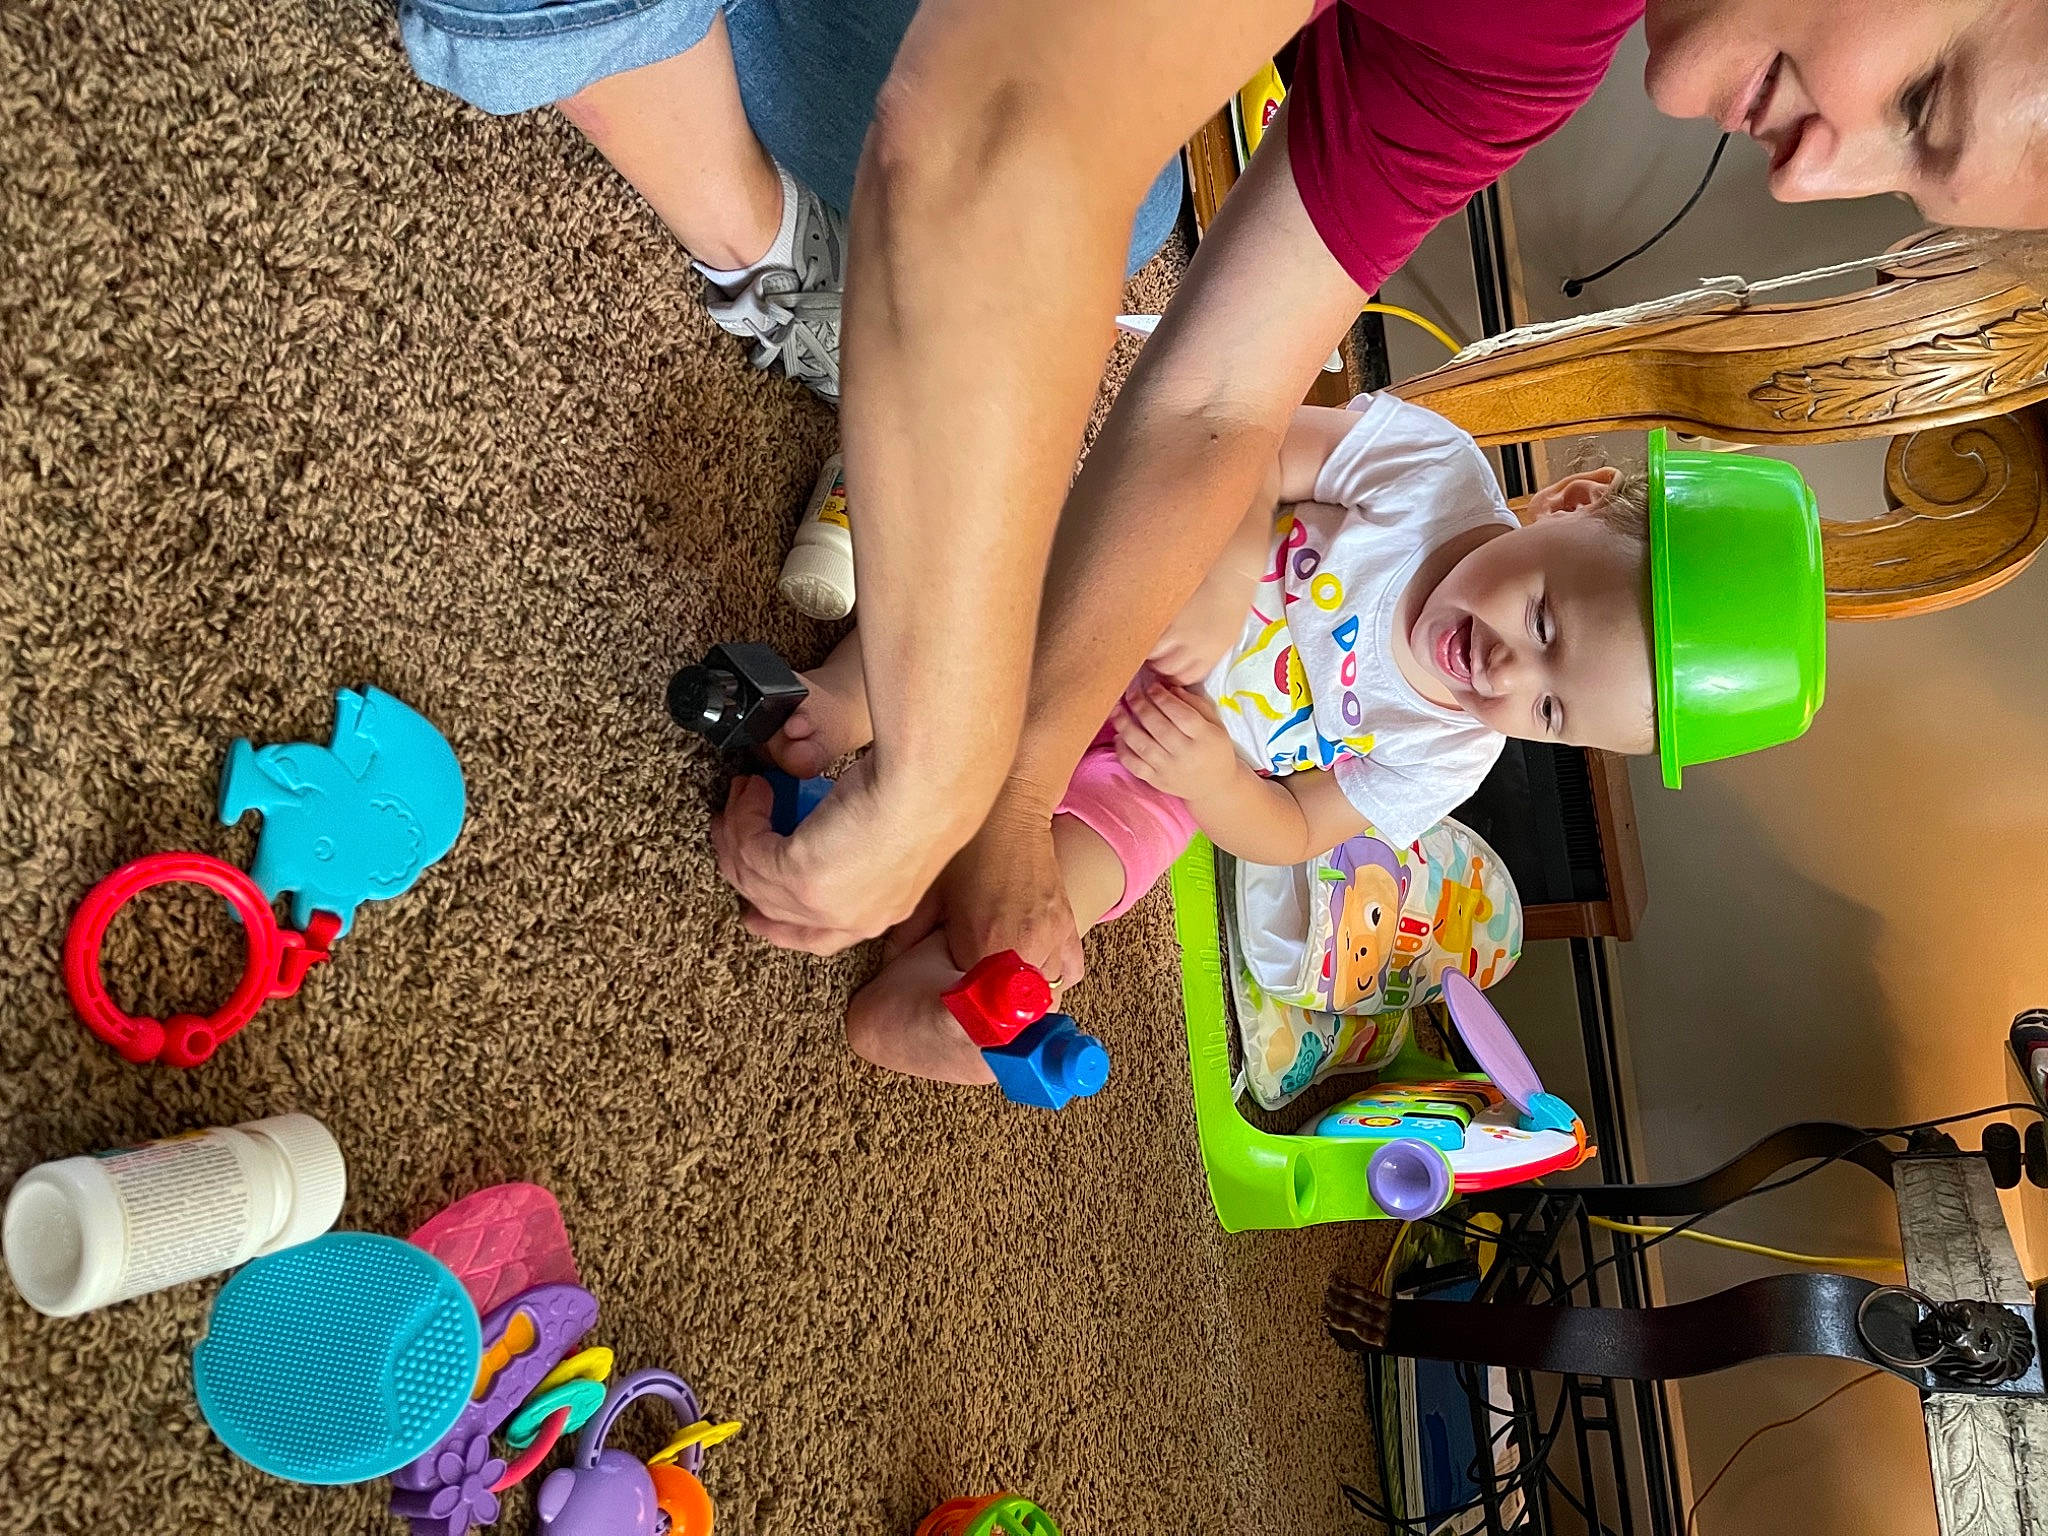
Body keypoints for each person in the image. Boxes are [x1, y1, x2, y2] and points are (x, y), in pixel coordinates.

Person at [396, 0, 2048, 987]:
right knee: (991, 221)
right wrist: (945, 769)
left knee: (1059, 247)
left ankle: (810, 282)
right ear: (1583, 504)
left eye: (1901, 177)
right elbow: (990, 150)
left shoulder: (1534, 53)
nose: (1808, 176)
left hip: (1156, 723)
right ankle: (788, 272)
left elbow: (1204, 387)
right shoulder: (1432, 464)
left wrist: (1007, 782)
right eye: (1916, 104)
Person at [755, 393, 1816, 1084]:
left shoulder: (1452, 753)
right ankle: (849, 698)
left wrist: (1215, 784)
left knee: (1074, 884)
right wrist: (1220, 576)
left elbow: (1299, 830)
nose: (1506, 671)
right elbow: (1247, 444)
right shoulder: (1428, 469)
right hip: (1125, 602)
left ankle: (949, 1006)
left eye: (1548, 712)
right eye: (1541, 620)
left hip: (1159, 770)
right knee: (1001, 595)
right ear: (1571, 499)